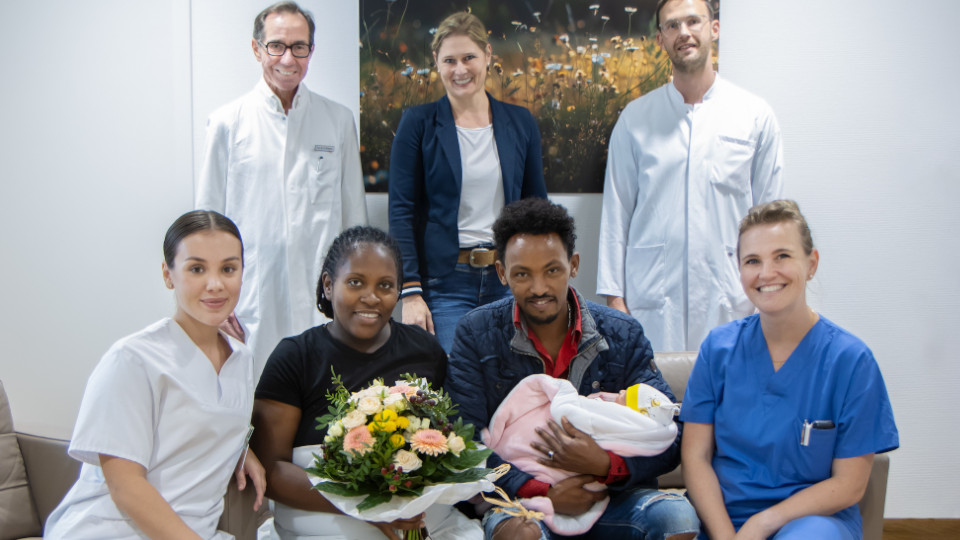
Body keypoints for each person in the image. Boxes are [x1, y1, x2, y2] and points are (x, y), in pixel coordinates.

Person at [446, 198, 699, 540]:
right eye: (522, 274)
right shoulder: (475, 333)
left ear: (574, 265)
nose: (539, 288)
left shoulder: (622, 333)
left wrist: (605, 466)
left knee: (677, 518)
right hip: (523, 503)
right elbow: (464, 441)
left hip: (615, 498)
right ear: (502, 272)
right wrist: (541, 489)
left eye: (552, 270)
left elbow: (670, 434)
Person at [680, 200, 899, 539]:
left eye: (782, 256)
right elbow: (695, 457)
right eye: (753, 261)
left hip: (812, 522)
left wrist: (762, 523)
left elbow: (850, 485)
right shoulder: (718, 350)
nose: (767, 273)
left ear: (811, 264)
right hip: (721, 520)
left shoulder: (851, 361)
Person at [250, 226, 481, 540]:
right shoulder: (295, 357)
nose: (371, 297)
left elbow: (445, 437)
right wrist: (367, 505)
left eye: (385, 285)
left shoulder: (425, 350)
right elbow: (271, 470)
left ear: (399, 291)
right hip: (320, 522)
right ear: (329, 285)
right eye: (355, 282)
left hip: (422, 523)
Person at [45, 210, 265, 539]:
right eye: (197, 268)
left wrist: (241, 447)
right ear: (168, 274)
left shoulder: (242, 359)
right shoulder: (132, 359)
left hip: (196, 529)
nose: (216, 284)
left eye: (228, 268)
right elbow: (125, 485)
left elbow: (209, 420)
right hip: (110, 529)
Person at [597, 0, 783, 352]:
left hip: (732, 300)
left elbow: (772, 220)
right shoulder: (635, 119)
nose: (683, 32)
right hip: (651, 303)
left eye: (693, 21)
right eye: (672, 25)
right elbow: (615, 217)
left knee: (728, 401)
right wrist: (616, 306)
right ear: (660, 40)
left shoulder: (754, 116)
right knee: (652, 403)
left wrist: (768, 301)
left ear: (714, 28)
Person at [197, 1, 367, 371]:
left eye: (299, 47)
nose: (288, 59)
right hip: (254, 296)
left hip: (321, 296)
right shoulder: (227, 123)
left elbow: (355, 222)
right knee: (255, 401)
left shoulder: (337, 120)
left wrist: (354, 295)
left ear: (311, 51)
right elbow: (207, 224)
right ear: (257, 49)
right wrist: (216, 300)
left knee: (324, 401)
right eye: (277, 46)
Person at [388, 11, 547, 353]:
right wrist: (410, 291)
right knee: (457, 385)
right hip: (445, 284)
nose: (460, 70)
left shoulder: (519, 123)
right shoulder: (418, 123)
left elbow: (538, 208)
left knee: (513, 382)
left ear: (488, 55)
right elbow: (402, 211)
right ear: (436, 63)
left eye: (469, 57)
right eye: (450, 60)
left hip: (508, 279)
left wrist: (541, 278)